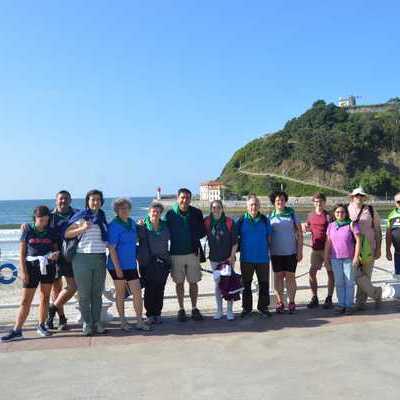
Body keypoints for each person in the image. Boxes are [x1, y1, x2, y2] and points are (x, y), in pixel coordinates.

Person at [2, 206, 60, 342]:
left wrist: (55, 255)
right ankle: (17, 329)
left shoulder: (51, 232)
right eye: (41, 220)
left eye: (46, 220)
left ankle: (41, 325)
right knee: (25, 300)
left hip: (47, 266)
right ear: (35, 218)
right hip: (31, 267)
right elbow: (22, 253)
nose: (43, 223)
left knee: (45, 297)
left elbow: (56, 250)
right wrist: (23, 271)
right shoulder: (27, 230)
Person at [65, 189, 108, 336]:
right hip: (81, 258)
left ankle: (97, 322)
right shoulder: (81, 216)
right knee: (84, 294)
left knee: (97, 293)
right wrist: (82, 228)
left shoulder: (102, 216)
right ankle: (87, 323)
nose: (95, 202)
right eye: (92, 199)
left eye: (98, 199)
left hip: (100, 257)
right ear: (87, 201)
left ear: (101, 202)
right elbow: (66, 233)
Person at [107, 198, 150, 331]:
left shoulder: (131, 223)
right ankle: (123, 322)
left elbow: (135, 240)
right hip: (116, 265)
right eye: (121, 209)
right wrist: (118, 268)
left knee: (137, 292)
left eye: (126, 208)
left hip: (131, 264)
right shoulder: (113, 225)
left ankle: (139, 321)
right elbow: (111, 248)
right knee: (120, 294)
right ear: (117, 210)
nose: (125, 211)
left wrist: (141, 225)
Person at [165, 188, 206, 322]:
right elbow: (163, 230)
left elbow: (202, 232)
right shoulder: (170, 214)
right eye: (182, 197)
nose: (185, 200)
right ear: (178, 198)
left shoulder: (197, 213)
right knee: (179, 283)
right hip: (176, 254)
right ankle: (181, 309)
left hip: (193, 253)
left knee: (193, 282)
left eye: (187, 197)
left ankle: (194, 308)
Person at [47, 190, 77, 330]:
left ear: (70, 200)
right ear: (56, 200)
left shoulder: (76, 214)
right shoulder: (50, 216)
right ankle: (61, 319)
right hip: (54, 256)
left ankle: (52, 308)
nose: (63, 201)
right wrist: (25, 226)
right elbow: (38, 226)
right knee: (56, 289)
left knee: (72, 287)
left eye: (66, 199)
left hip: (71, 255)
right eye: (60, 199)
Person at [348, 187, 382, 310]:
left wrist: (378, 248)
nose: (359, 197)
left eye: (361, 195)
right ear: (352, 197)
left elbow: (378, 230)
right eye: (357, 195)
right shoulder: (346, 209)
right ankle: (376, 292)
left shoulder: (371, 210)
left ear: (364, 198)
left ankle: (360, 303)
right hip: (351, 249)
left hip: (369, 249)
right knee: (356, 275)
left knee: (366, 275)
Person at [237, 195, 271, 318]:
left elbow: (269, 238)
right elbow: (234, 239)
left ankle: (263, 307)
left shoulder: (265, 220)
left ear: (259, 206)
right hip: (246, 258)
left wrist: (270, 253)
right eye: (251, 204)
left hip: (263, 258)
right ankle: (247, 308)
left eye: (256, 204)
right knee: (246, 284)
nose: (253, 207)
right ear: (247, 206)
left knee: (264, 284)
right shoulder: (241, 220)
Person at [269, 191, 303, 314]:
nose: (280, 202)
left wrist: (300, 251)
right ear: (274, 202)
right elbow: (268, 236)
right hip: (275, 253)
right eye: (277, 200)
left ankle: (292, 302)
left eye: (282, 199)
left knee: (290, 277)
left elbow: (299, 233)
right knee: (278, 278)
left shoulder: (291, 213)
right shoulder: (270, 216)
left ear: (285, 201)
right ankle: (280, 302)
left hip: (291, 252)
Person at [324, 204, 361, 314]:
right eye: (337, 212)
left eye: (342, 212)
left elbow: (358, 241)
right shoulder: (331, 226)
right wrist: (326, 259)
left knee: (349, 282)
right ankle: (341, 304)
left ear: (346, 213)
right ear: (334, 214)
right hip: (335, 258)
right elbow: (328, 242)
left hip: (349, 258)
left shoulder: (351, 224)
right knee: (339, 282)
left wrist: (356, 257)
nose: (340, 214)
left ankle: (349, 305)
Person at [138, 202, 171, 324]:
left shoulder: (165, 226)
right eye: (153, 211)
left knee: (160, 288)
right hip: (147, 263)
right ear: (149, 212)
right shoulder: (142, 226)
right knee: (149, 288)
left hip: (163, 263)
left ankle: (158, 313)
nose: (155, 213)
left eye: (158, 211)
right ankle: (150, 314)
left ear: (160, 213)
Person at [204, 200, 238, 320]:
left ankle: (229, 311)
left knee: (229, 284)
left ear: (222, 208)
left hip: (227, 259)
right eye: (213, 207)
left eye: (218, 207)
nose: (216, 209)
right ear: (211, 209)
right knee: (218, 284)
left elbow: (235, 242)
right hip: (214, 259)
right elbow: (197, 233)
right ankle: (219, 310)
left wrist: (231, 256)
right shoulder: (207, 221)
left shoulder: (229, 222)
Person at [303, 193, 334, 309]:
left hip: (328, 249)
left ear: (324, 202)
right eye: (316, 201)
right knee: (312, 273)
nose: (318, 203)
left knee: (330, 273)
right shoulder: (310, 215)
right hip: (315, 249)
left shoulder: (329, 216)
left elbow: (333, 231)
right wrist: (305, 227)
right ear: (313, 202)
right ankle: (314, 297)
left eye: (320, 201)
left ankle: (329, 298)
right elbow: (310, 227)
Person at [386, 192, 400, 278]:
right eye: (399, 202)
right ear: (395, 203)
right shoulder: (391, 216)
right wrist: (387, 250)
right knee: (398, 277)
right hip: (398, 254)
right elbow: (388, 235)